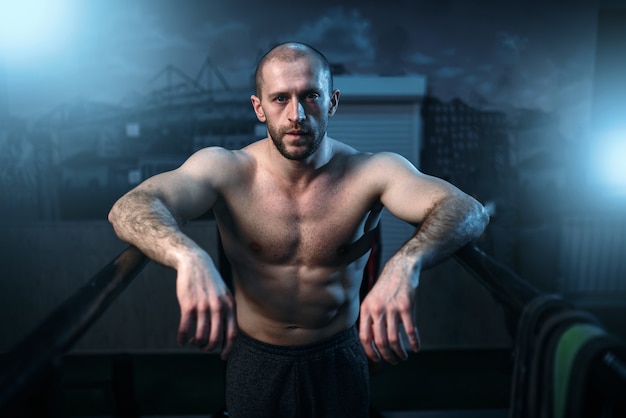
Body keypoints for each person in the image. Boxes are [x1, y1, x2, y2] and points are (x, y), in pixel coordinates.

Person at [108, 41, 489, 417]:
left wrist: (407, 263)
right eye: (279, 99)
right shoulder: (225, 170)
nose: (296, 115)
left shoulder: (373, 172)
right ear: (259, 108)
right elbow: (129, 208)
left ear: (332, 102)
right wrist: (187, 256)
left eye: (309, 96)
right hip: (255, 356)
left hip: (338, 354)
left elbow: (467, 211)